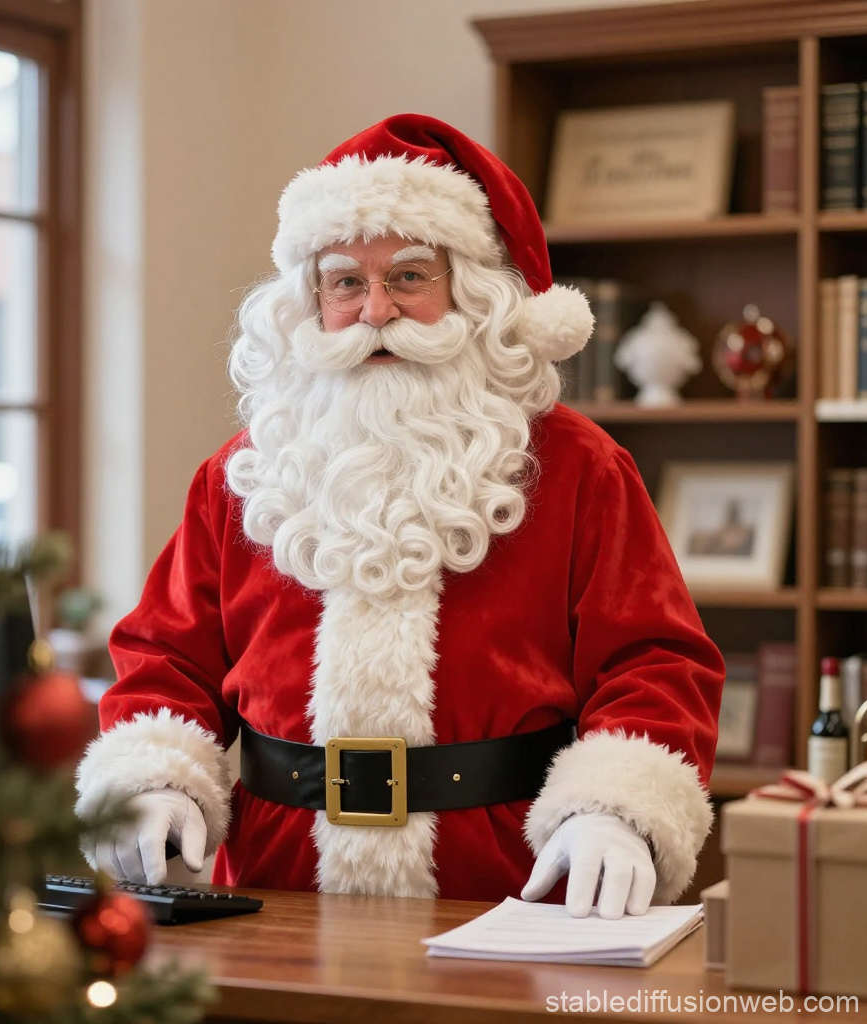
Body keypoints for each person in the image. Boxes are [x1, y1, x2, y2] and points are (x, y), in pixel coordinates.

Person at [75, 114, 724, 918]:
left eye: (410, 276)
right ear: (310, 301)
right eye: (345, 281)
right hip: (277, 897)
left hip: (506, 893)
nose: (375, 309)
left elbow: (655, 663)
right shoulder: (242, 473)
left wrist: (617, 808)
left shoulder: (581, 467)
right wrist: (152, 778)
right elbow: (164, 657)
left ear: (473, 293)